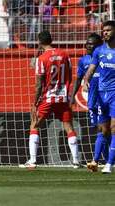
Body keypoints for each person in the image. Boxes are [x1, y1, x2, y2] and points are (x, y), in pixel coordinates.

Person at [19, 31, 81, 169]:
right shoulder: (65, 54)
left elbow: (39, 84)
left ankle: (33, 161)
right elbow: (70, 76)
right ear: (51, 40)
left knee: (34, 125)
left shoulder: (42, 59)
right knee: (68, 127)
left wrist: (35, 102)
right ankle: (76, 161)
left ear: (39, 42)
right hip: (63, 97)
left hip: (48, 97)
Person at [70, 33, 110, 172]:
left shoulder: (106, 57)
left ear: (99, 45)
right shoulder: (84, 60)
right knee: (101, 130)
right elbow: (78, 78)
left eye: (91, 43)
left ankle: (99, 160)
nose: (87, 45)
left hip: (105, 99)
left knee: (103, 130)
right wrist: (72, 96)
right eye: (87, 43)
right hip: (92, 102)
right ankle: (105, 160)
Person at [83, 20, 115, 174]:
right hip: (102, 96)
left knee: (114, 128)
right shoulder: (99, 51)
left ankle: (108, 164)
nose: (105, 33)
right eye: (104, 30)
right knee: (103, 130)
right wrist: (86, 80)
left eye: (108, 30)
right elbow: (91, 68)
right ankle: (95, 161)